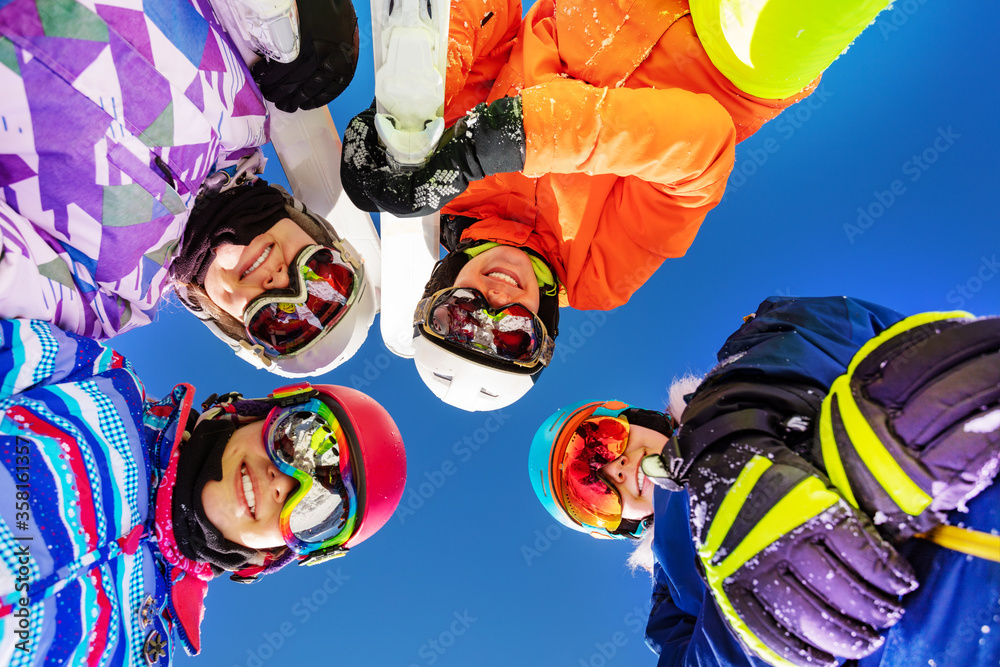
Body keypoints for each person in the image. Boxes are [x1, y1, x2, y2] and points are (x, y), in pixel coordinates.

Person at [341, 0, 893, 410]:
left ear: (434, 295)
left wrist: (427, 88)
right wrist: (510, 137)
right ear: (545, 332)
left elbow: (492, 11)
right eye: (513, 336)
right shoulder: (596, 273)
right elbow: (700, 149)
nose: (497, 303)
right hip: (731, 52)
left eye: (461, 318)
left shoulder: (444, 184)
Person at [528, 296, 1000, 667]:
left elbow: (831, 331)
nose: (613, 469)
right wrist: (760, 613)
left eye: (599, 441)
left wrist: (737, 410)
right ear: (615, 527)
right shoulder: (671, 603)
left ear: (632, 418)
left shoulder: (749, 358)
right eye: (591, 493)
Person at [0, 318, 406, 664]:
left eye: (316, 513)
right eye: (296, 439)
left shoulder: (143, 647)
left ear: (278, 554)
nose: (284, 483)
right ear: (258, 413)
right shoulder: (96, 383)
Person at [0, 0, 362, 373]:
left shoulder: (101, 300)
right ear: (316, 231)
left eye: (276, 319)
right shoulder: (249, 105)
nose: (283, 282)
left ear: (221, 320)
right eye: (318, 273)